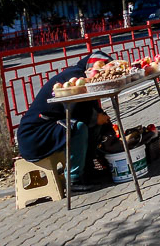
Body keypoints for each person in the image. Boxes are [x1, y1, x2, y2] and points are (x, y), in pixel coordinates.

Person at [16, 53, 112, 191]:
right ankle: (74, 180)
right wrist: (96, 118)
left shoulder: (83, 76)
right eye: (101, 67)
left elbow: (91, 108)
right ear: (90, 67)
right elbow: (76, 111)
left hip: (51, 125)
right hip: (34, 136)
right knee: (78, 127)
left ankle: (88, 169)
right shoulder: (74, 78)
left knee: (93, 125)